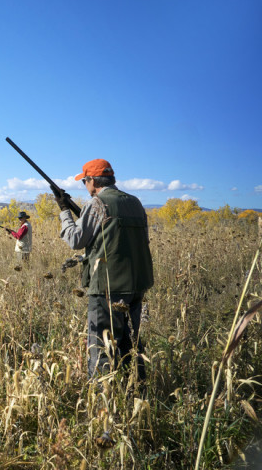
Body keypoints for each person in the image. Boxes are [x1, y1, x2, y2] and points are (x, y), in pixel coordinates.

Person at [52, 159, 153, 382]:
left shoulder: (97, 203)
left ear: (92, 181)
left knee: (101, 345)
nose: (84, 186)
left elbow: (76, 240)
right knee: (130, 342)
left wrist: (64, 211)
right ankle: (136, 390)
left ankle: (101, 400)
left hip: (107, 287)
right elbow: (139, 240)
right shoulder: (135, 202)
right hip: (136, 286)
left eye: (84, 181)